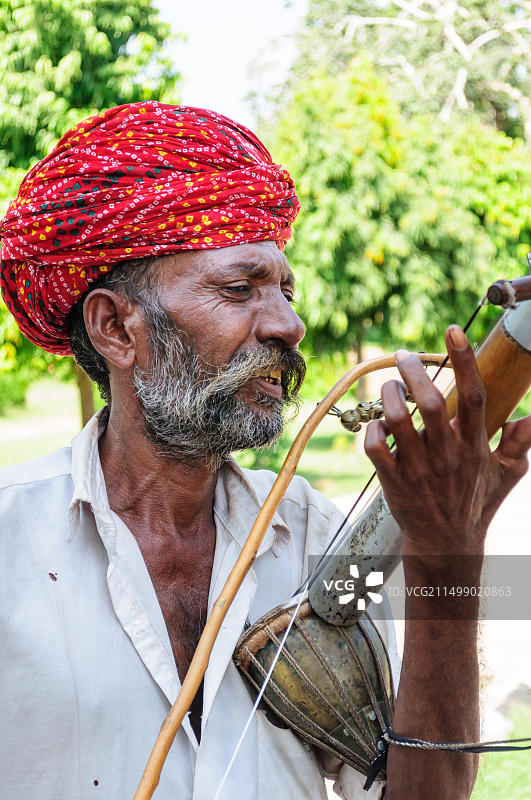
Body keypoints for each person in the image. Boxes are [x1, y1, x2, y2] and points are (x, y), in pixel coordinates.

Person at [0, 102, 529, 800]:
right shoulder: (10, 540)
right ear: (114, 329)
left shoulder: (318, 536)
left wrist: (448, 558)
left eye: (284, 288)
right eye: (238, 288)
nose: (288, 323)